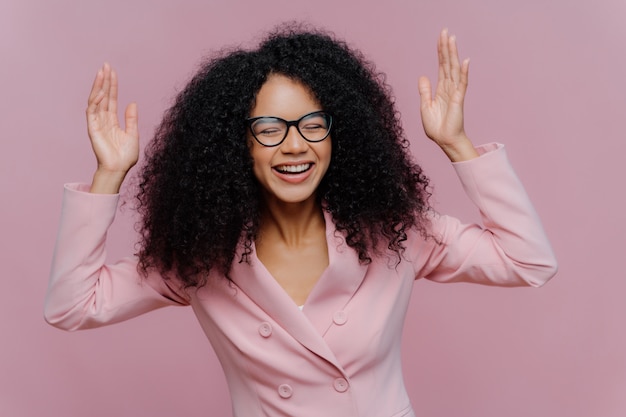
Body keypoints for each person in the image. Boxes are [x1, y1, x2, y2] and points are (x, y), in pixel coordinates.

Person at [45, 25, 557, 417]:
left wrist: (457, 144)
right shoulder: (200, 257)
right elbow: (72, 306)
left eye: (313, 124)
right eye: (269, 128)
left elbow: (528, 260)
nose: (295, 145)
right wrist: (109, 174)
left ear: (341, 134)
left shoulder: (398, 233)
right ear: (236, 145)